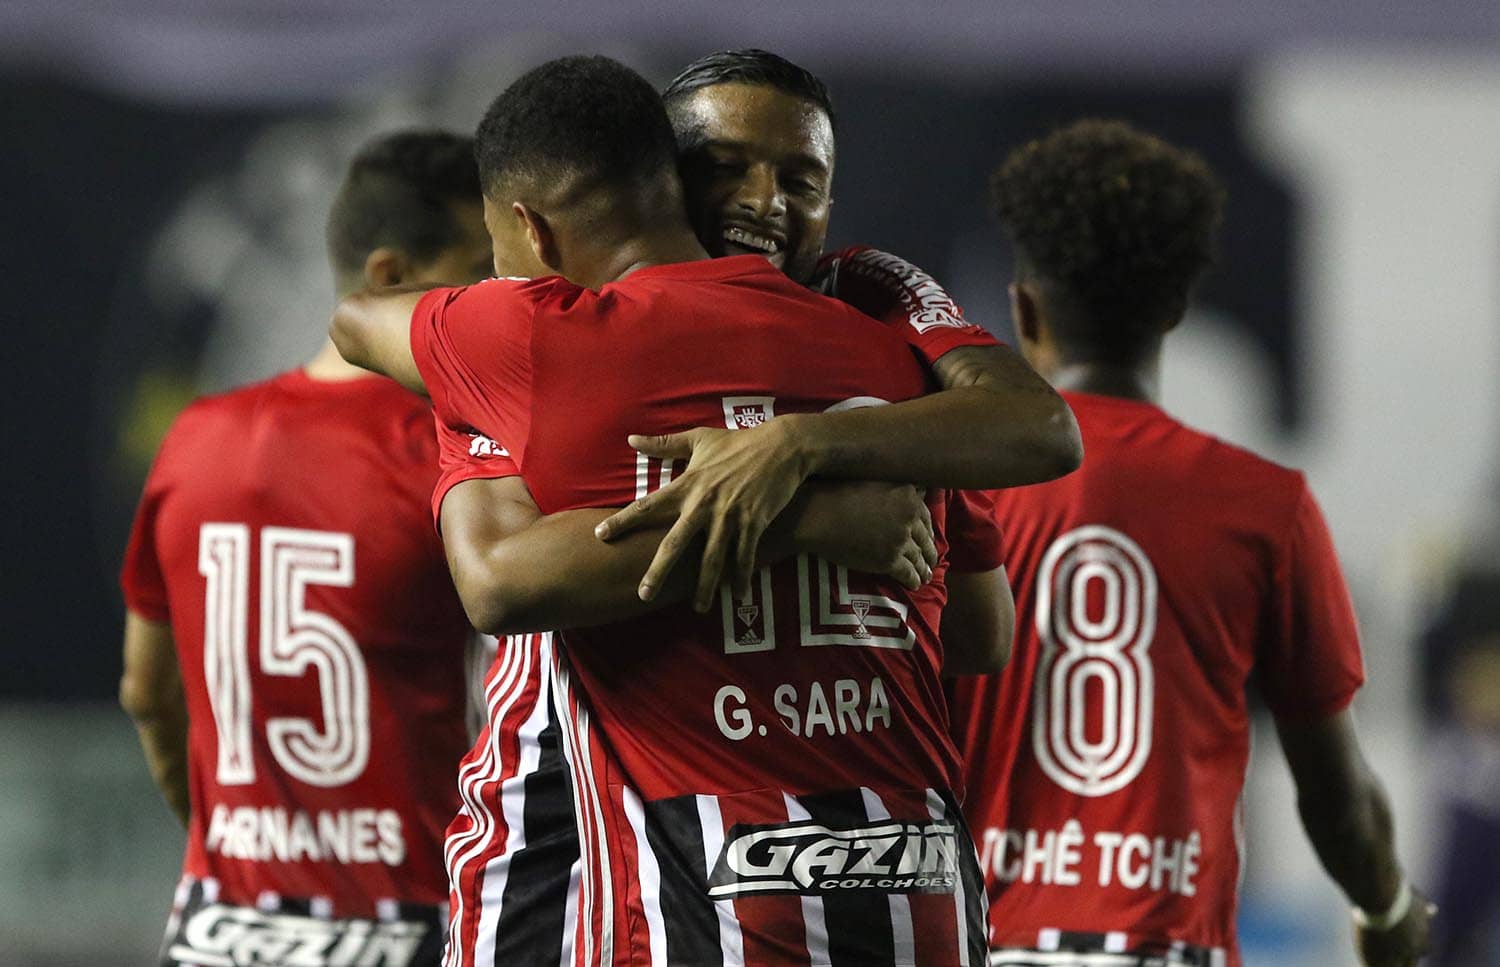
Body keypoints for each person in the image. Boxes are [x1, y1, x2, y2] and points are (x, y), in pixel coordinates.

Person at [333, 55, 1080, 966]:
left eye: (800, 178)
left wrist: (792, 454)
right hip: (603, 847)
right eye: (728, 166)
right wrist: (808, 521)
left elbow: (497, 576)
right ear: (663, 179)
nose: (764, 201)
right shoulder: (894, 370)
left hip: (686, 879)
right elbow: (977, 625)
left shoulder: (537, 342)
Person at [946, 118, 1434, 967]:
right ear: (1176, 308)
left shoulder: (958, 487)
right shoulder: (1265, 506)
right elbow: (1336, 795)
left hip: (983, 943)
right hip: (1165, 948)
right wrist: (1388, 909)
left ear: (1024, 310)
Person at [119, 130, 494, 967]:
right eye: (479, 273)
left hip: (223, 933)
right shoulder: (450, 455)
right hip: (415, 930)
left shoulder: (192, 438)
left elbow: (147, 688)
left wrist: (226, 848)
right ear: (392, 278)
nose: (502, 304)